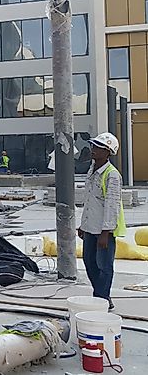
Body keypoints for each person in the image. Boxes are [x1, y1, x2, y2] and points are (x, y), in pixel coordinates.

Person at [78, 132, 126, 310]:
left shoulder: (112, 175)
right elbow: (90, 201)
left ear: (108, 153)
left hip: (103, 230)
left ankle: (101, 299)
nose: (94, 150)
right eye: (94, 146)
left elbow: (112, 205)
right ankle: (102, 295)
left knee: (104, 265)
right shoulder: (92, 171)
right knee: (89, 261)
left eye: (99, 147)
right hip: (90, 227)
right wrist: (83, 225)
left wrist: (105, 232)